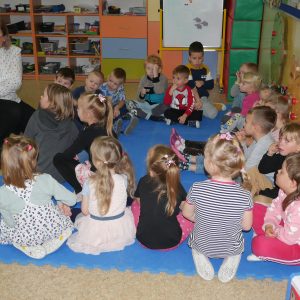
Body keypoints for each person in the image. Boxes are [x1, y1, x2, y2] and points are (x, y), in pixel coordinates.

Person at [182, 133, 253, 282]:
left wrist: (202, 217)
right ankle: (233, 256)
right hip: (231, 246)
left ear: (210, 165)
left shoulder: (197, 188)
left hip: (202, 243)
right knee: (237, 241)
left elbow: (187, 214)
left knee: (197, 236)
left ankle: (199, 252)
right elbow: (246, 227)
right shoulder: (245, 195)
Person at [0, 135, 76, 259]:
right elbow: (72, 200)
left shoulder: (2, 193)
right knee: (57, 214)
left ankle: (24, 244)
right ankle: (54, 237)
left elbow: (10, 223)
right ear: (32, 161)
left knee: (6, 220)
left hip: (25, 235)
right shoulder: (45, 180)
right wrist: (60, 202)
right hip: (50, 229)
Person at [67, 136, 136, 255]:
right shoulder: (123, 179)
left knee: (74, 214)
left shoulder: (89, 182)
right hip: (119, 229)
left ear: (97, 162)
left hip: (95, 231)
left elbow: (85, 211)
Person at [177, 106, 277, 174]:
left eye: (246, 122)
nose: (243, 124)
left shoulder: (262, 145)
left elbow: (246, 169)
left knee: (223, 163)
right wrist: (242, 142)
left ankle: (187, 165)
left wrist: (229, 161)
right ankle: (189, 159)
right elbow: (247, 157)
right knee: (224, 158)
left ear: (255, 128)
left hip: (258, 178)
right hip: (250, 171)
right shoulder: (261, 138)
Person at [53, 93, 116, 199]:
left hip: (96, 178)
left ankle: (80, 190)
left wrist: (73, 153)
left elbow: (67, 155)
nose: (76, 111)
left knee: (58, 158)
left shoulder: (87, 134)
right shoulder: (110, 129)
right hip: (113, 175)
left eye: (78, 109)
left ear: (87, 114)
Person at [131, 145, 194, 250]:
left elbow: (139, 201)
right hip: (172, 241)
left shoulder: (143, 181)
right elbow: (185, 208)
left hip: (143, 239)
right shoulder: (176, 186)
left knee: (135, 204)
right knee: (190, 217)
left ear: (151, 169)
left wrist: (151, 205)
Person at [247, 152, 300, 265]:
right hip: (286, 230)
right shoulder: (284, 191)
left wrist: (273, 229)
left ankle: (267, 245)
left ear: (292, 183)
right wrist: (269, 225)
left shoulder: (297, 208)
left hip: (295, 245)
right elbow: (274, 209)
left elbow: (289, 238)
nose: (278, 172)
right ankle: (267, 238)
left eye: (282, 171)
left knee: (259, 245)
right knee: (255, 208)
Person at [24, 83, 79, 183]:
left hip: (39, 176)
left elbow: (25, 143)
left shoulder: (36, 117)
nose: (41, 96)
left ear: (51, 103)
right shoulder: (70, 123)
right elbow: (78, 142)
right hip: (62, 176)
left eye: (43, 95)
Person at [0, 18, 35, 144]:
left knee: (36, 122)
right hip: (9, 106)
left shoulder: (14, 52)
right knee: (13, 112)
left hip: (11, 99)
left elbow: (15, 82)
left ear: (4, 35)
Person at [248, 123, 300, 204]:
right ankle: (250, 195)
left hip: (283, 198)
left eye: (287, 141)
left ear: (298, 147)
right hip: (274, 189)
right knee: (252, 170)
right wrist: (269, 154)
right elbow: (262, 170)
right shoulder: (282, 156)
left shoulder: (295, 165)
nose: (280, 143)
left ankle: (251, 197)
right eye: (280, 139)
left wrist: (262, 193)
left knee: (260, 199)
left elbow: (282, 192)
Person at [186, 41, 226, 120]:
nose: (197, 61)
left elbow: (211, 85)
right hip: (189, 99)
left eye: (200, 58)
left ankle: (207, 106)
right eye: (194, 58)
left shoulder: (205, 69)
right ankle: (207, 106)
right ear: (189, 58)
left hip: (202, 98)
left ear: (203, 57)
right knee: (185, 112)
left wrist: (203, 83)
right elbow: (189, 85)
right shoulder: (187, 69)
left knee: (213, 114)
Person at [125, 54, 169, 122]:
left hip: (158, 106)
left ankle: (138, 114)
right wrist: (142, 95)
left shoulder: (163, 78)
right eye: (148, 68)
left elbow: (158, 91)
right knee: (129, 103)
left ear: (159, 69)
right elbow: (139, 100)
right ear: (145, 68)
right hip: (146, 105)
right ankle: (151, 116)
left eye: (154, 69)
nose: (151, 71)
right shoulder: (143, 78)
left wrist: (156, 76)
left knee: (168, 106)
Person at [100, 68, 138, 136]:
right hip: (104, 107)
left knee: (125, 107)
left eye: (115, 84)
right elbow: (99, 102)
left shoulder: (120, 89)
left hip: (114, 106)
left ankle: (121, 119)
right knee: (103, 116)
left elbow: (122, 101)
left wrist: (116, 108)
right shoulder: (102, 88)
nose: (111, 84)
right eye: (110, 80)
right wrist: (109, 110)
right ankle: (118, 126)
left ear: (120, 85)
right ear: (108, 77)